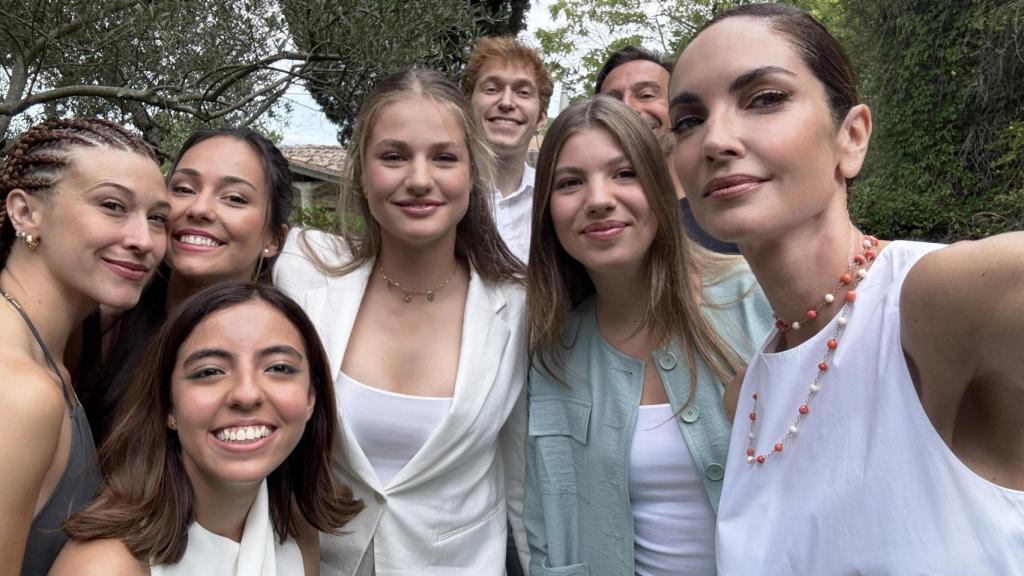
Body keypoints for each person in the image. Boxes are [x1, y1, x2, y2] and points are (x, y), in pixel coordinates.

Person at [669, 4, 1024, 573]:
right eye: (688, 121)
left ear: (851, 136)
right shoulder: (748, 398)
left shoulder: (938, 304)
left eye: (764, 98)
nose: (716, 139)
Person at [274, 68, 529, 575]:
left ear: (473, 173)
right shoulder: (300, 275)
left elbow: (522, 473)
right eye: (393, 156)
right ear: (362, 172)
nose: (418, 179)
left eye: (444, 157)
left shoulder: (521, 305)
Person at [523, 95, 772, 576]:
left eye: (624, 173)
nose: (598, 200)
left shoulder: (755, 301)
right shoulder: (555, 351)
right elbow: (545, 526)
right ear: (548, 210)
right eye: (570, 182)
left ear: (659, 189)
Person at [51, 282, 363, 575]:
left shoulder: (293, 529)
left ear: (311, 397)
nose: (246, 394)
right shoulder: (104, 566)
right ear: (168, 406)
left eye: (278, 368)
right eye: (210, 371)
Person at [0, 118, 168, 575]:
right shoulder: (18, 393)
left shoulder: (54, 352)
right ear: (25, 211)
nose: (144, 240)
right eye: (113, 205)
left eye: (157, 218)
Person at [78, 127, 293, 446]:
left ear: (274, 240)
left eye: (234, 198)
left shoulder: (287, 351)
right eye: (182, 189)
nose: (200, 209)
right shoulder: (100, 325)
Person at [595, 45, 738, 254]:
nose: (628, 108)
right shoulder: (594, 226)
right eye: (612, 102)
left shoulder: (731, 209)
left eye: (646, 95)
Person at [462, 36, 553, 262]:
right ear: (466, 106)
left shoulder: (555, 200)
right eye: (492, 88)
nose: (506, 102)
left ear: (541, 117)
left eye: (523, 92)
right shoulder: (438, 193)